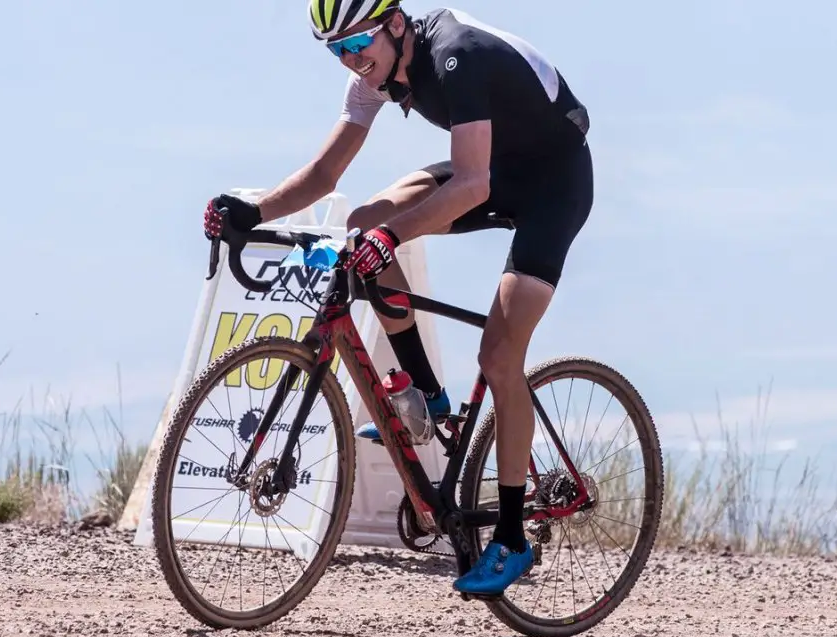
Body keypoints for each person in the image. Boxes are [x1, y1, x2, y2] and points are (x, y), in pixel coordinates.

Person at [202, 0, 593, 597]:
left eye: (358, 45)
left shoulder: (456, 55)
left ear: (394, 25)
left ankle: (511, 537)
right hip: (491, 167)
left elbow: (471, 185)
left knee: (499, 357)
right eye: (337, 52)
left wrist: (395, 235)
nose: (352, 62)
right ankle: (430, 400)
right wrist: (251, 212)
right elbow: (326, 173)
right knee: (365, 221)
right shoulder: (374, 74)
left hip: (553, 185)